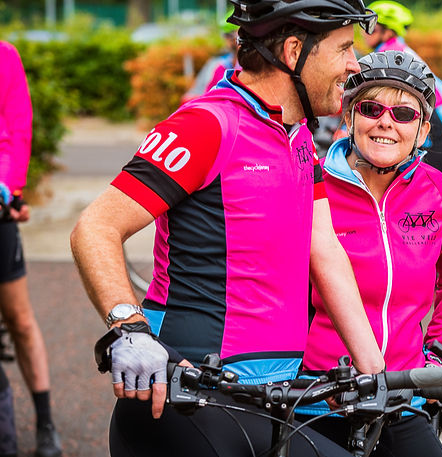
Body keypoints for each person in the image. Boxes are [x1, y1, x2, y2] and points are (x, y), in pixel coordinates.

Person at [69, 0, 386, 455]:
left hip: (262, 398)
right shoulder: (207, 125)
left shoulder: (297, 136)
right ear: (295, 51)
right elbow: (95, 227)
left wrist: (372, 367)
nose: (354, 65)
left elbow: (323, 247)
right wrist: (129, 328)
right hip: (188, 396)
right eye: (343, 49)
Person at [297, 49, 442, 457]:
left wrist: (440, 350)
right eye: (371, 107)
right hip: (317, 395)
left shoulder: (436, 191)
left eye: (404, 114)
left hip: (402, 394)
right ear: (348, 118)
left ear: (423, 129)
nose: (385, 122)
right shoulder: (312, 188)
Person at [0, 41, 61, 457]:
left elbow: (17, 129)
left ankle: (45, 421)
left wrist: (7, 189)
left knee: (19, 319)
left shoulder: (4, 56)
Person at [362, 0, 442, 176]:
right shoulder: (394, 47)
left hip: (438, 123)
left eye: (371, 27)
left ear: (387, 32)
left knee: (430, 184)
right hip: (441, 117)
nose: (364, 33)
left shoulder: (391, 53)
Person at [181, 10, 242, 104]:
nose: (227, 41)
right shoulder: (220, 65)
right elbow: (206, 97)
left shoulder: (249, 65)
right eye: (226, 36)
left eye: (228, 36)